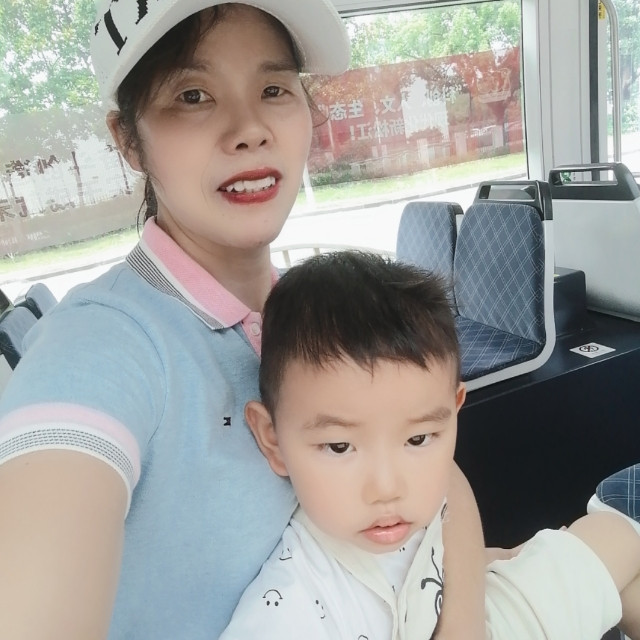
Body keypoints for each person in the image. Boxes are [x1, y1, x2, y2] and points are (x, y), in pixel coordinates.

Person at [0, 3, 485, 639]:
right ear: (128, 139)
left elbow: (436, 467)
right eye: (193, 96)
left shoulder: (306, 313)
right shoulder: (101, 345)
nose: (250, 129)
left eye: (274, 89)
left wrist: (463, 615)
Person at [220, 250, 640, 640]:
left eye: (417, 439)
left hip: (479, 602)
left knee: (620, 534)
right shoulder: (287, 614)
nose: (388, 488)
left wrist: (489, 558)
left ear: (454, 409)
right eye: (339, 447)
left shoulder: (407, 505)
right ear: (272, 439)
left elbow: (433, 546)